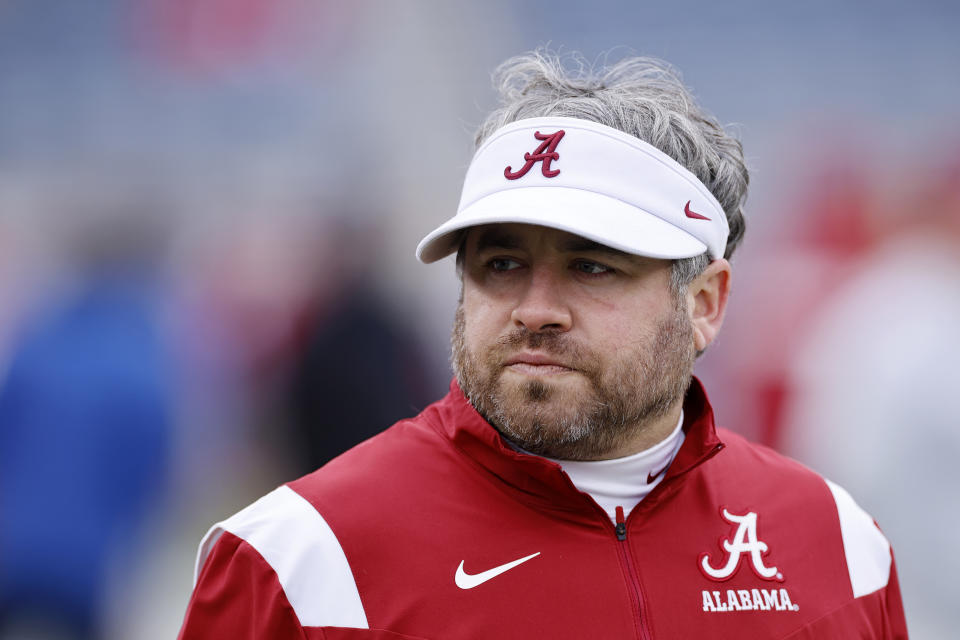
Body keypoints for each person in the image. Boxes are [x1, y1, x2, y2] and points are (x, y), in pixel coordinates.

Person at [177, 52, 908, 639]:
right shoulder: (298, 558)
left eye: (592, 266)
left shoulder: (839, 548)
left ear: (705, 303)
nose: (536, 310)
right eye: (502, 265)